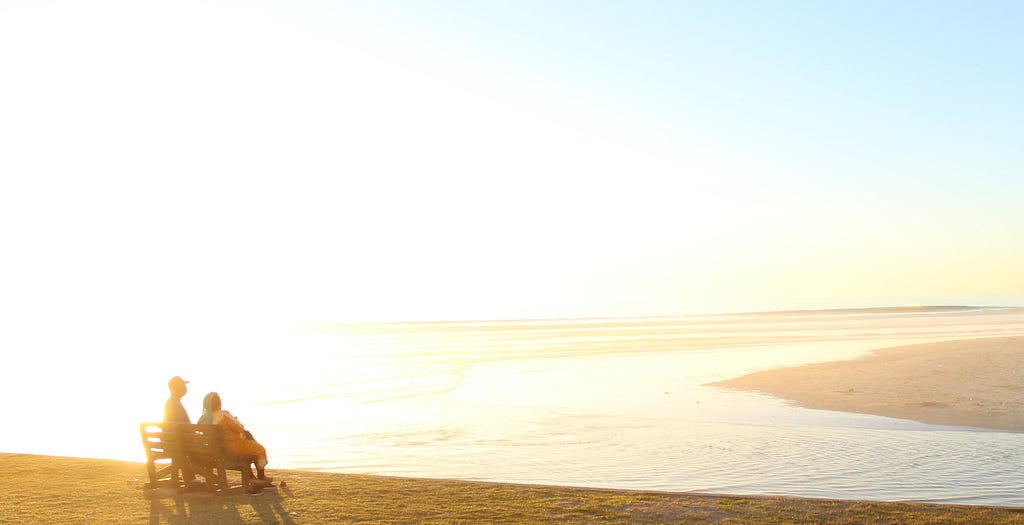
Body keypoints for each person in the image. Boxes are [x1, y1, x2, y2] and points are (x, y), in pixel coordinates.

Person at [198, 392, 271, 483]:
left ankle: (251, 477)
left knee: (250, 444)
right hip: (233, 449)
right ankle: (261, 476)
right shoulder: (224, 415)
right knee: (259, 448)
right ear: (219, 403)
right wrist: (235, 420)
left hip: (215, 452)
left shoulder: (202, 419)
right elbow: (239, 428)